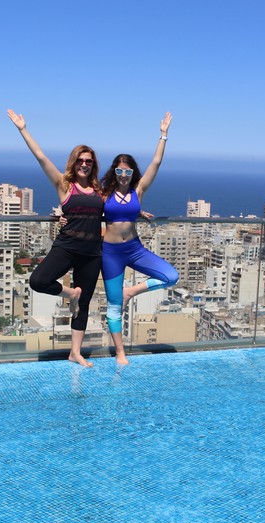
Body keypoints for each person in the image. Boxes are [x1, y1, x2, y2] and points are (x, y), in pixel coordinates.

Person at [7, 109, 104, 367]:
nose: (85, 164)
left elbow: (117, 206)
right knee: (38, 280)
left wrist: (136, 210)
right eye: (81, 160)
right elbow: (41, 157)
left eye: (89, 162)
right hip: (67, 246)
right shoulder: (64, 184)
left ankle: (75, 352)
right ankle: (69, 293)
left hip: (92, 252)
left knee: (84, 304)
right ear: (74, 162)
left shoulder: (99, 190)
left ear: (94, 165)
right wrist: (23, 129)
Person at [101, 112, 178, 365]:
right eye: (120, 170)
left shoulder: (138, 190)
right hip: (111, 252)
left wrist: (163, 134)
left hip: (134, 249)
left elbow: (156, 162)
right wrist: (62, 214)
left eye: (128, 170)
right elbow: (85, 207)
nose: (124, 174)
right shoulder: (105, 193)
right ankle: (120, 352)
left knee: (170, 276)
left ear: (133, 172)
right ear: (115, 170)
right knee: (113, 308)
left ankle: (130, 292)